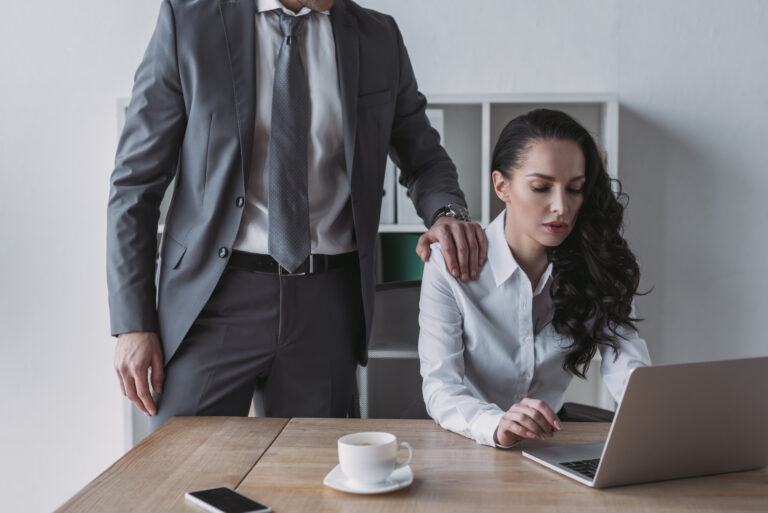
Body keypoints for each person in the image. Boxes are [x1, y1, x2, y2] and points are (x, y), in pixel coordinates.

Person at [107, 0, 487, 432]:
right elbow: (136, 182)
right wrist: (132, 323)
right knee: (180, 478)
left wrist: (447, 213)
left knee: (310, 488)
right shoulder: (190, 19)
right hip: (209, 300)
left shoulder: (378, 37)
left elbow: (424, 157)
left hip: (326, 303)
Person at [418, 109, 651, 447]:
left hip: (552, 443)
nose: (561, 207)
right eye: (541, 187)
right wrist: (497, 424)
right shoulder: (448, 263)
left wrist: (653, 415)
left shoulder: (596, 261)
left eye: (575, 189)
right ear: (502, 186)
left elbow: (627, 363)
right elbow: (440, 387)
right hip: (470, 440)